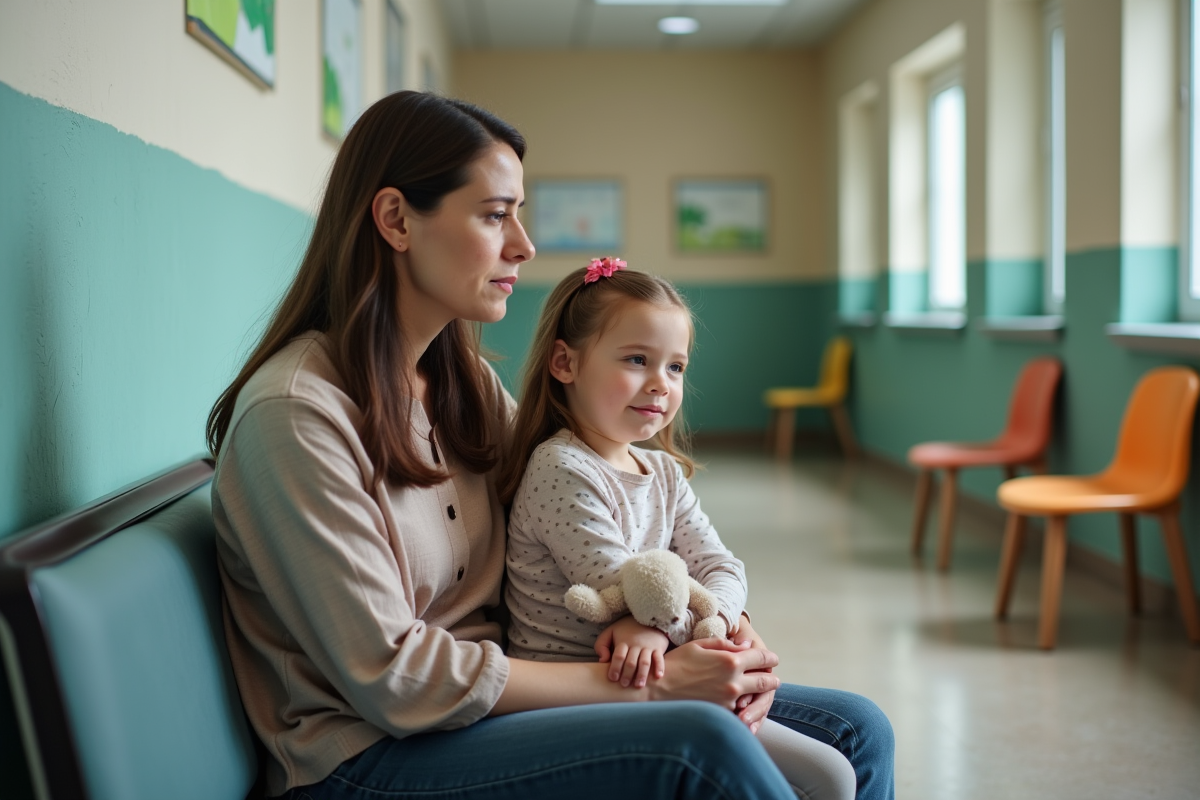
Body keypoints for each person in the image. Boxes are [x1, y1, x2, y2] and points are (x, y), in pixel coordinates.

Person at [206, 90, 895, 800]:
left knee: (856, 729)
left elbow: (586, 502)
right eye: (495, 215)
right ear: (395, 219)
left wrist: (728, 630)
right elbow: (396, 681)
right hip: (369, 756)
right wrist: (652, 689)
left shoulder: (462, 380)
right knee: (698, 749)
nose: (524, 246)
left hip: (494, 697)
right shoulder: (296, 416)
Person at [499, 261, 865, 799]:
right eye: (636, 360)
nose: (659, 384)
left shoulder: (664, 473)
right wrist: (692, 634)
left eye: (675, 367)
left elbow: (719, 565)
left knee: (845, 751)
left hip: (664, 672)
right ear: (565, 363)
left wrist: (721, 623)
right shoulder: (561, 469)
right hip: (586, 692)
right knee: (828, 777)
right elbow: (620, 589)